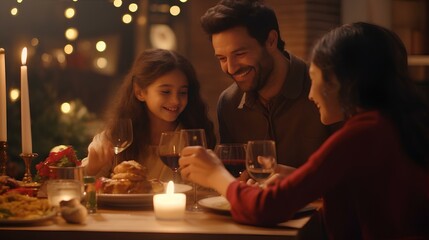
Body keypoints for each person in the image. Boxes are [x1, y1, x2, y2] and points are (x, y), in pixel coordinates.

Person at [179, 22, 429, 239]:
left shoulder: (361, 133)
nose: (310, 95)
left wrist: (215, 175)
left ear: (340, 80)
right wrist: (299, 178)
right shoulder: (392, 121)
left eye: (314, 77)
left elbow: (265, 209)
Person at [200, 0, 337, 168]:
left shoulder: (325, 89)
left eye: (240, 53)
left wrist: (293, 182)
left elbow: (352, 174)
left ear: (271, 41)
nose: (231, 68)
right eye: (222, 58)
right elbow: (233, 174)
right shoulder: (229, 103)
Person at [83, 49, 216, 181]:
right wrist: (92, 168)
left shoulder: (193, 139)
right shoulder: (117, 138)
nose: (176, 101)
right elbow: (85, 188)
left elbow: (207, 193)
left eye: (182, 92)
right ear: (140, 92)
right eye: (166, 91)